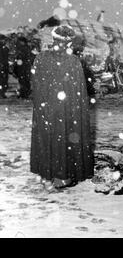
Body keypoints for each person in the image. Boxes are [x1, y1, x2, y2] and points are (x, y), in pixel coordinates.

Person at [30, 25, 94, 190]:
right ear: (69, 42)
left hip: (45, 108)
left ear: (53, 39)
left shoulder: (40, 58)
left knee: (47, 138)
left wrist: (42, 104)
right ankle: (62, 176)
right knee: (64, 139)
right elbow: (79, 92)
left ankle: (46, 173)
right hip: (66, 109)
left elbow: (34, 85)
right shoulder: (73, 61)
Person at [13, 34, 35, 99]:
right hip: (25, 67)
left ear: (23, 42)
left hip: (23, 67)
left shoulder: (23, 49)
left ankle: (24, 94)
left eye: (19, 41)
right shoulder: (26, 48)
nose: (18, 43)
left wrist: (17, 65)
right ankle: (25, 93)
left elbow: (20, 59)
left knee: (23, 80)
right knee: (25, 80)